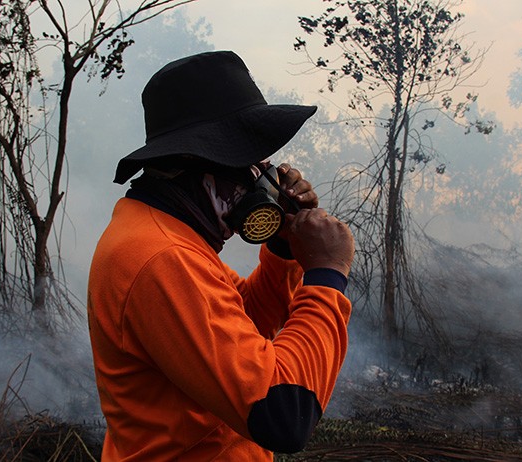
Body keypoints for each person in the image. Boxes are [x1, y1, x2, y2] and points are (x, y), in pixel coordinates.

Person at [87, 50, 355, 461]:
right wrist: (327, 276)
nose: (264, 176)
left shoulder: (166, 234)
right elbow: (283, 414)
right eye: (250, 160)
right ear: (197, 162)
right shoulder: (162, 257)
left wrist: (284, 246)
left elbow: (245, 327)